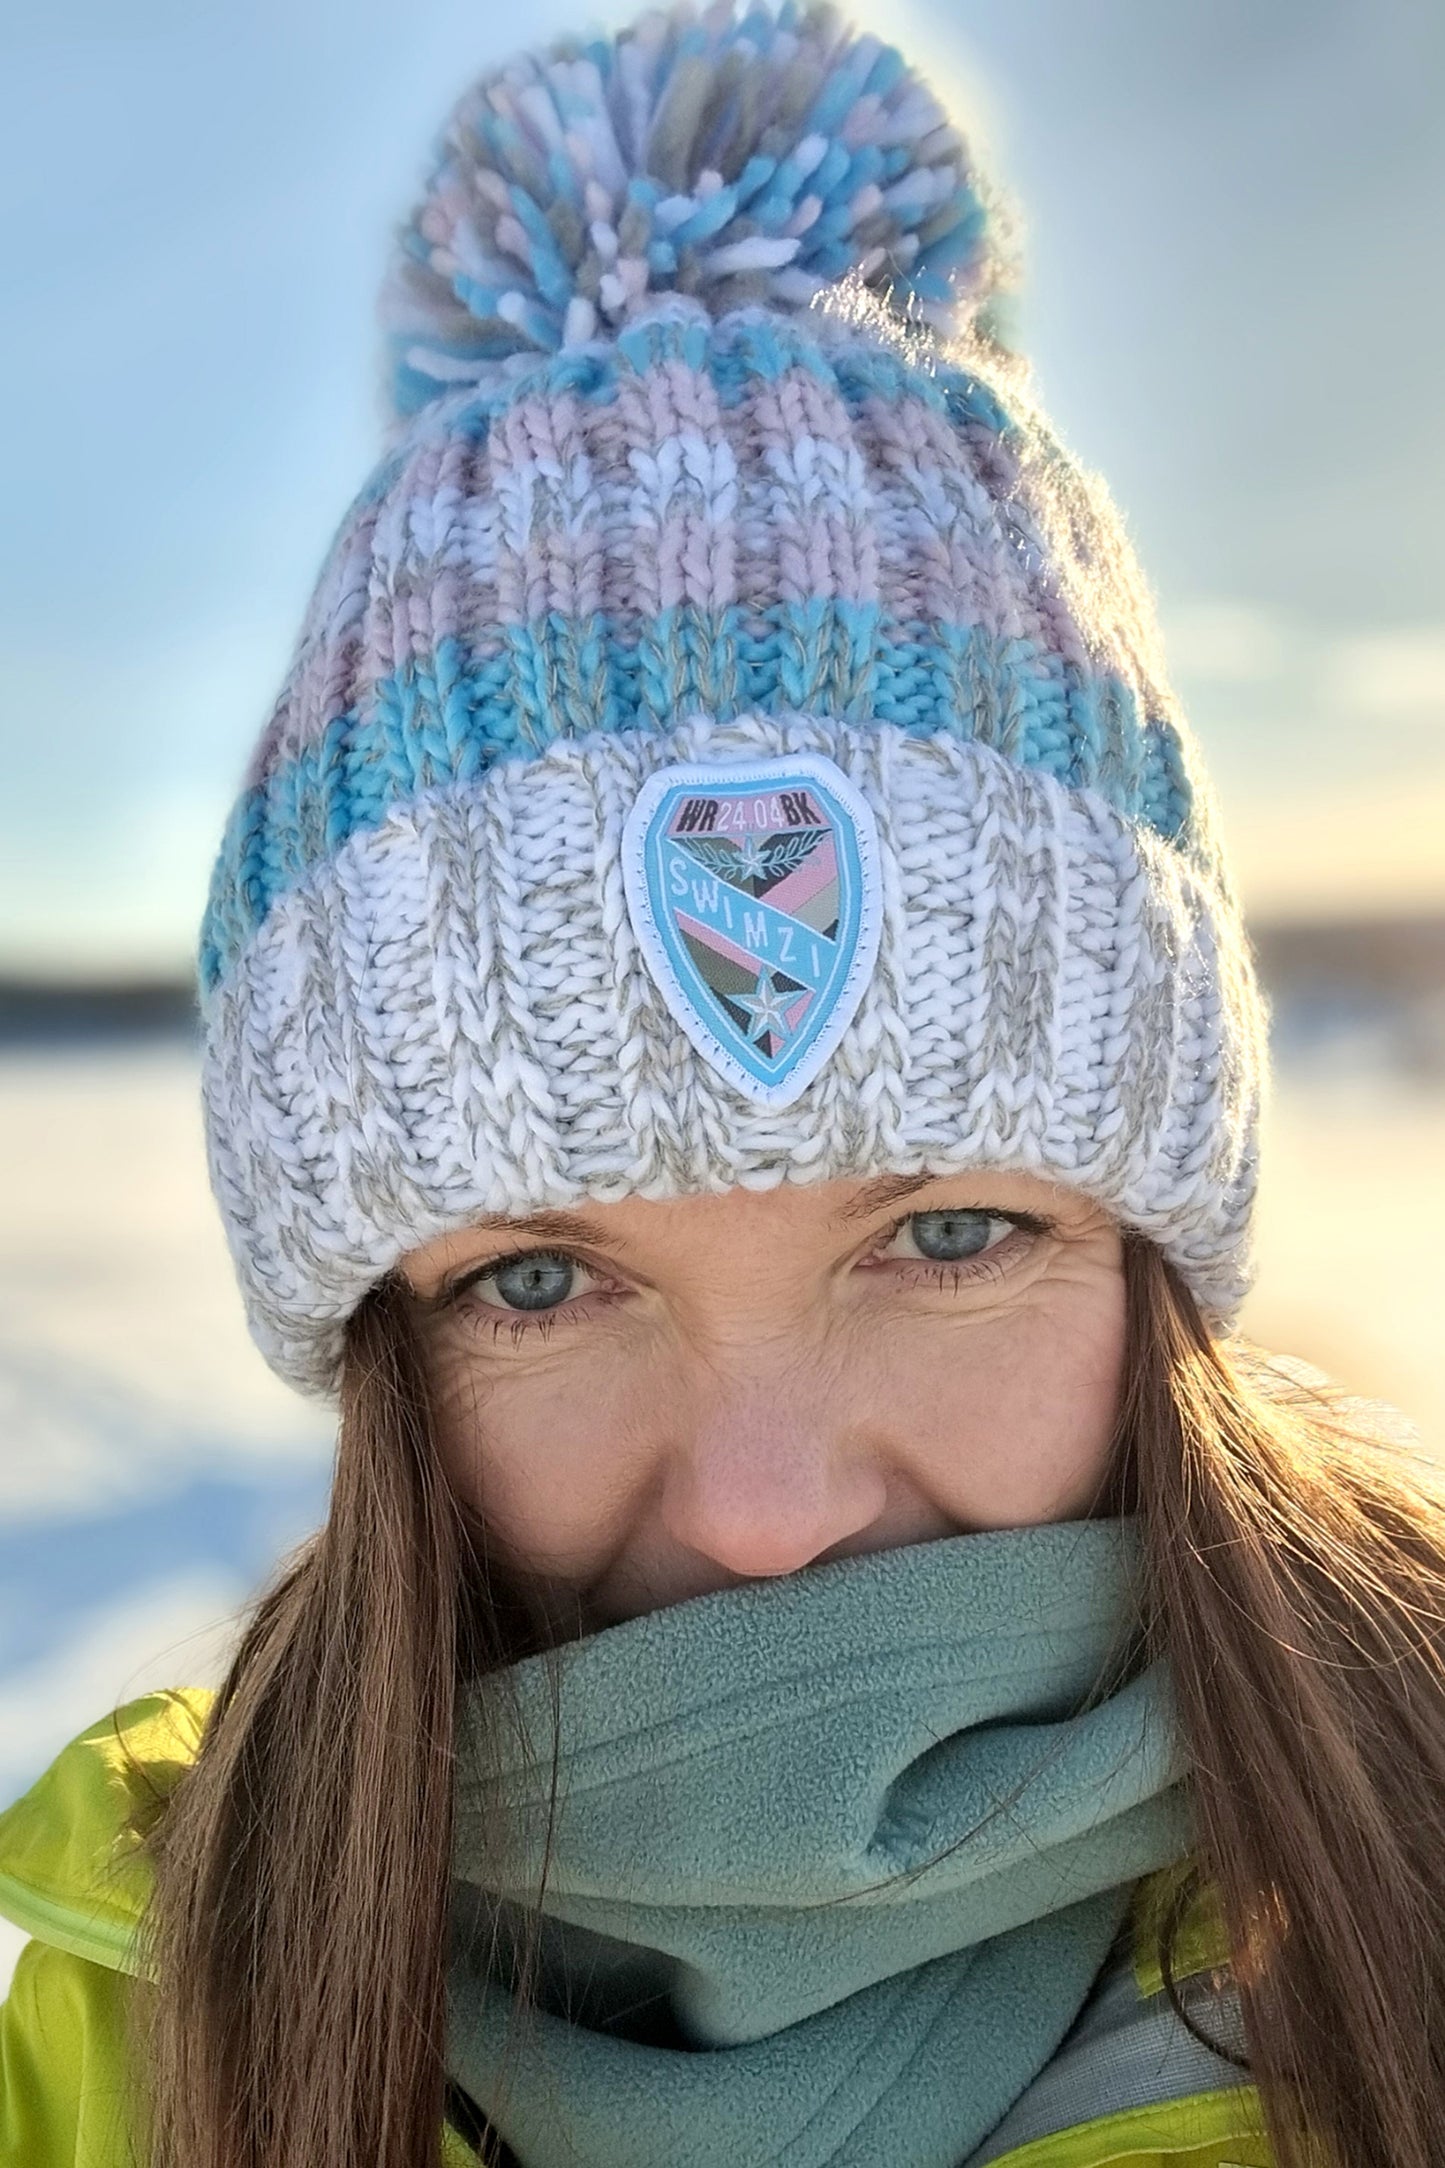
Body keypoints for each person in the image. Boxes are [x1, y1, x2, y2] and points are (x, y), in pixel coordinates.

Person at [1, 5, 1442, 2164]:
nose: (767, 1518)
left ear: (1153, 1253)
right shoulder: (140, 2006)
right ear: (383, 1329)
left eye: (950, 1231)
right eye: (542, 1281)